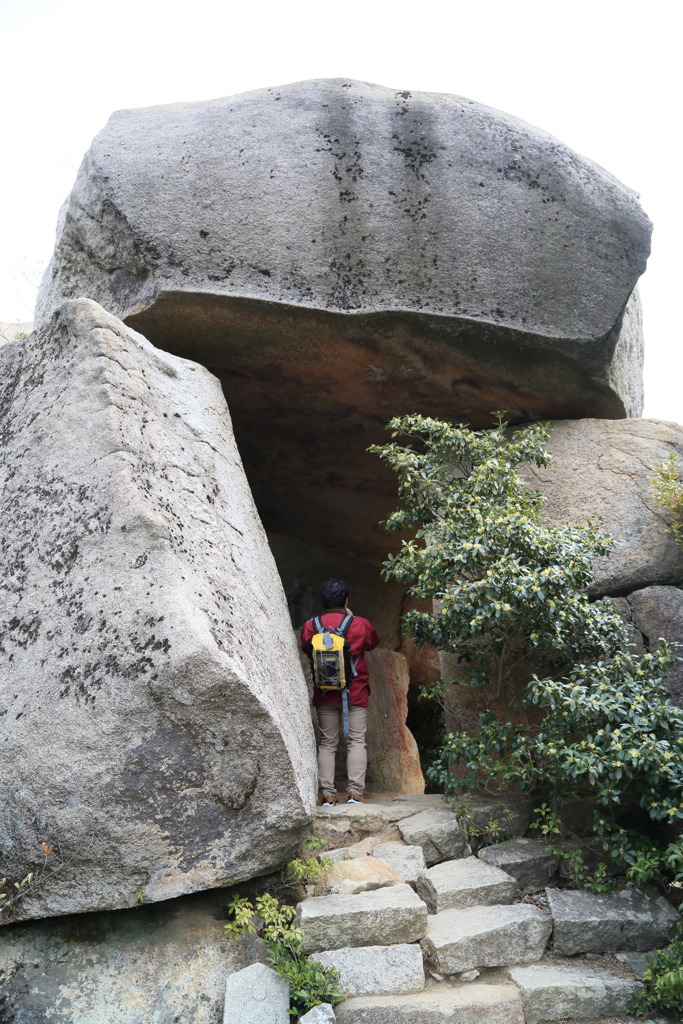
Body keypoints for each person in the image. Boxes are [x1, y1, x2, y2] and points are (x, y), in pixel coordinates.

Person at [301, 578, 379, 806]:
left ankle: (327, 794)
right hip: (355, 692)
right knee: (356, 741)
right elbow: (373, 642)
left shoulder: (310, 626)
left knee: (327, 743)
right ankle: (355, 793)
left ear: (323, 601)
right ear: (346, 600)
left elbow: (306, 647)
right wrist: (351, 617)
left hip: (325, 693)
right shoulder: (359, 624)